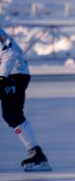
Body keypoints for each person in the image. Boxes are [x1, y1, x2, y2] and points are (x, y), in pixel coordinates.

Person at [0, 27, 51, 172]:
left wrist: (2, 77)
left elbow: (9, 52)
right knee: (11, 115)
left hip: (15, 73)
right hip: (7, 74)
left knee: (12, 114)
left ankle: (36, 153)